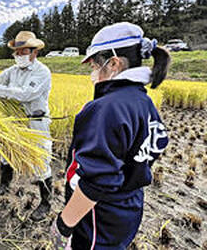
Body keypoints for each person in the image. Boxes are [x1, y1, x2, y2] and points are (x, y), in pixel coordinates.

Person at [51, 22, 170, 249]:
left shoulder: (106, 108)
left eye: (95, 65)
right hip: (128, 209)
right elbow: (157, 143)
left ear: (113, 63)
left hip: (99, 218)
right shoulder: (142, 100)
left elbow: (97, 181)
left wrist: (64, 224)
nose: (92, 73)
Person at [0, 31, 53, 221]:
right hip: (13, 123)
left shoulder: (42, 72)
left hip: (35, 123)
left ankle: (46, 203)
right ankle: (4, 185)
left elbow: (25, 94)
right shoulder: (13, 71)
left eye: (23, 52)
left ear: (34, 52)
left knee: (40, 161)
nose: (19, 56)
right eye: (17, 52)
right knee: (6, 154)